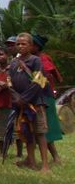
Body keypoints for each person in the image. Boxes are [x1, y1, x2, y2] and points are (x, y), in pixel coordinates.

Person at [9, 33, 51, 173]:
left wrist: (25, 99)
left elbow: (38, 81)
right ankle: (31, 162)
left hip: (35, 102)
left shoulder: (35, 61)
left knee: (40, 133)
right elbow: (10, 82)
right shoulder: (14, 62)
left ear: (31, 46)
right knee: (26, 133)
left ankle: (45, 165)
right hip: (20, 104)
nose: (20, 46)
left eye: (24, 44)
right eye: (18, 44)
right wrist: (16, 98)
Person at [31, 34, 63, 165]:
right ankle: (31, 159)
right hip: (36, 97)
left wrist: (32, 79)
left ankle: (56, 157)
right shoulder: (32, 59)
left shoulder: (43, 60)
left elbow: (45, 80)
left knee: (45, 130)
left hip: (45, 98)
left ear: (36, 46)